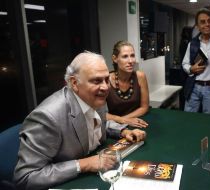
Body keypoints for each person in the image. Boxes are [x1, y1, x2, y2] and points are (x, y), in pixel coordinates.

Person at [13, 51, 146, 190]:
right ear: (74, 83)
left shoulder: (93, 96)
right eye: (96, 80)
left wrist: (123, 131)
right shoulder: (47, 117)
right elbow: (25, 178)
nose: (106, 87)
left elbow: (97, 121)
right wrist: (84, 164)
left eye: (107, 79)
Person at [106, 41, 149, 128]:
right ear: (115, 59)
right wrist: (123, 120)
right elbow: (101, 114)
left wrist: (125, 120)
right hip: (115, 126)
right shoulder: (106, 80)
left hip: (137, 120)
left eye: (132, 56)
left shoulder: (140, 76)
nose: (130, 61)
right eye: (125, 56)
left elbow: (144, 107)